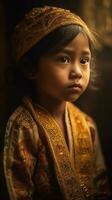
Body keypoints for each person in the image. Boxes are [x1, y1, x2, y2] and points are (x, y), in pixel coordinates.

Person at [3, 6, 111, 200]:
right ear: (31, 68)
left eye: (84, 60)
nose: (77, 71)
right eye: (64, 59)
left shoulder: (87, 125)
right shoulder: (24, 127)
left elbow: (100, 186)